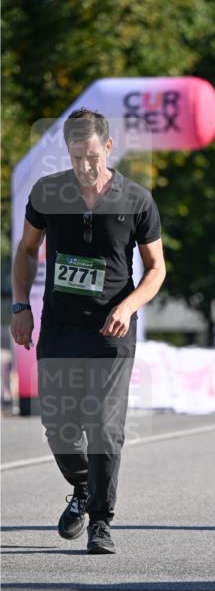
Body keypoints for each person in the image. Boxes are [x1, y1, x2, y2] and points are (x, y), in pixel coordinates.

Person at [10, 108, 166, 554]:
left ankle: (101, 521)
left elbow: (156, 270)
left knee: (104, 426)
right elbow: (25, 251)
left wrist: (129, 304)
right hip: (60, 326)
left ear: (109, 148)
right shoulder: (49, 192)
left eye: (92, 157)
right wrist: (21, 305)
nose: (85, 167)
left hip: (112, 331)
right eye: (77, 157)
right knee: (59, 428)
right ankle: (83, 489)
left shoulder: (136, 200)